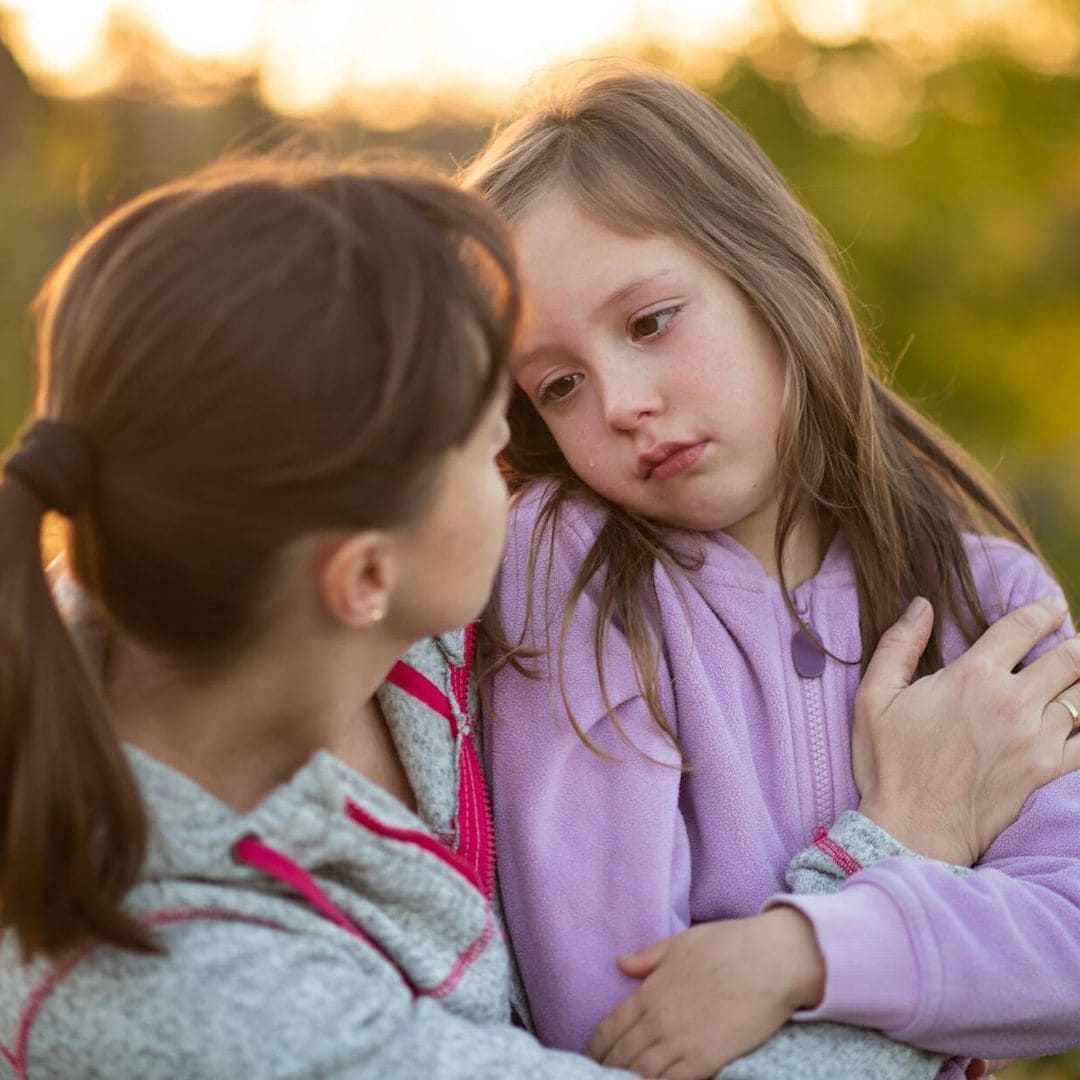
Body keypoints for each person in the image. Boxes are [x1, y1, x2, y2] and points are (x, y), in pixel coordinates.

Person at [0, 156, 1071, 1080]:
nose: (545, 467)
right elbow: (609, 1027)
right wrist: (897, 857)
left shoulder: (222, 590)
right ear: (363, 570)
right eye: (496, 434)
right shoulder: (189, 998)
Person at [464, 61, 1080, 1079]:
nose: (618, 401)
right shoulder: (570, 569)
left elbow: (1065, 944)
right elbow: (620, 1020)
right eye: (560, 384)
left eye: (650, 321)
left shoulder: (993, 603)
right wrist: (900, 861)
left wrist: (797, 953)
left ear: (766, 271)